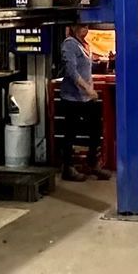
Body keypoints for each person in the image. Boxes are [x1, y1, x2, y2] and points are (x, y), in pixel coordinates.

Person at [56, 23, 109, 182]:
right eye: (82, 27)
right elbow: (71, 71)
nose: (85, 30)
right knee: (70, 133)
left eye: (87, 27)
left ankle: (92, 164)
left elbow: (86, 66)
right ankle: (68, 168)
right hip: (72, 98)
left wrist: (103, 61)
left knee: (95, 129)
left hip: (85, 98)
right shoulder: (69, 44)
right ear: (74, 28)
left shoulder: (83, 45)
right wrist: (88, 89)